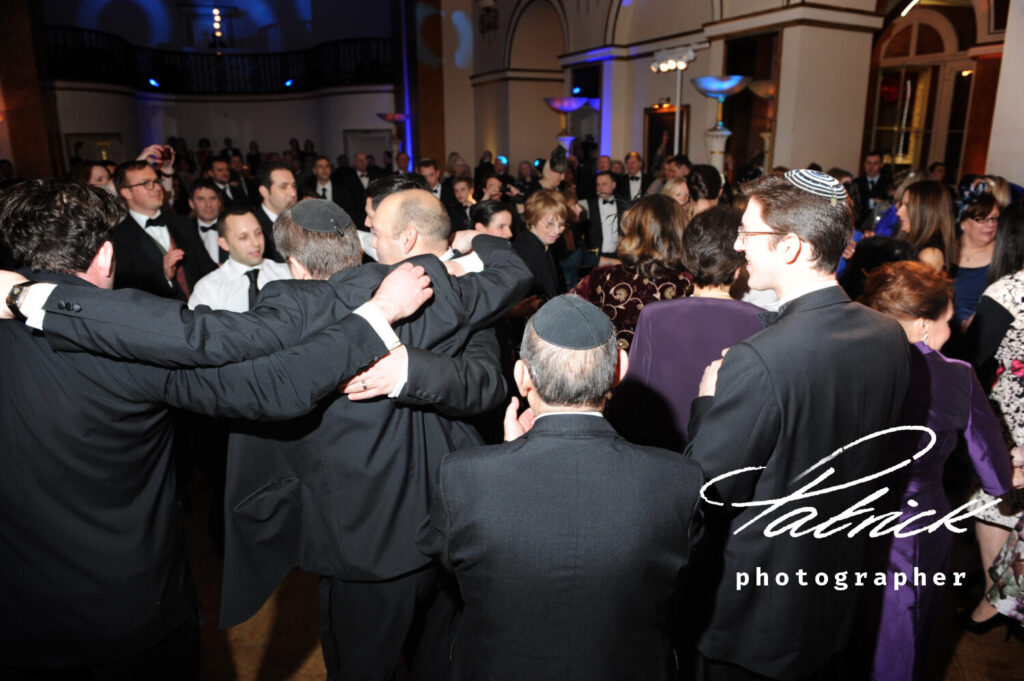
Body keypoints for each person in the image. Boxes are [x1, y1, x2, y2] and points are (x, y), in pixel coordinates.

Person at [6, 192, 532, 681]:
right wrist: (471, 247)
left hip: (406, 538)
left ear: (295, 265)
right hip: (400, 538)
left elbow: (482, 383)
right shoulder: (457, 290)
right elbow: (510, 278)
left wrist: (405, 367)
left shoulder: (297, 305)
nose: (371, 231)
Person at [684, 170, 910, 681]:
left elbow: (709, 493)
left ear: (791, 247)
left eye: (748, 231)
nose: (739, 244)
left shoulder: (759, 360)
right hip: (833, 602)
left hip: (754, 621)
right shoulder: (889, 335)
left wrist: (706, 403)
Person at [416, 295, 703, 680]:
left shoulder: (462, 477)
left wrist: (505, 462)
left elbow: (452, 564)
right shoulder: (679, 480)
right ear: (621, 370)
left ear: (522, 377)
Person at [858, 260, 1011, 681]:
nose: (957, 326)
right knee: (900, 646)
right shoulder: (955, 377)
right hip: (911, 530)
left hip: (836, 521)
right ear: (923, 323)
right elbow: (993, 470)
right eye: (949, 318)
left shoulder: (845, 360)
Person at [607, 205, 762, 450]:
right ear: (738, 267)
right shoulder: (762, 321)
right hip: (730, 454)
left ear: (687, 256)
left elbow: (630, 403)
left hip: (661, 454)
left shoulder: (654, 316)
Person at [962, 199, 1024, 630]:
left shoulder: (1007, 291)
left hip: (1006, 418)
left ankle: (993, 603)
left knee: (990, 502)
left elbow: (974, 360)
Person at [572, 194, 693, 349]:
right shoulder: (688, 283)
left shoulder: (603, 277)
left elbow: (563, 314)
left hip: (614, 370)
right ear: (679, 232)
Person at [110, 160, 216, 300]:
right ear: (126, 192)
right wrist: (164, 276)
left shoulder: (183, 223)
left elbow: (205, 266)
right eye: (146, 183)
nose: (157, 188)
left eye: (157, 181)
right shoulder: (118, 238)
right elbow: (127, 293)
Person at [188, 207, 291, 313]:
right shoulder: (208, 289)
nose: (256, 243)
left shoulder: (286, 274)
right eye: (243, 237)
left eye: (258, 233)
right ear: (224, 244)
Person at [512, 189, 568, 306]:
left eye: (561, 224)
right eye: (549, 224)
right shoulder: (528, 252)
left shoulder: (541, 241)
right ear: (532, 220)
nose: (557, 231)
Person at [952, 192, 1000, 329]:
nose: (991, 224)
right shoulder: (945, 251)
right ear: (963, 223)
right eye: (983, 218)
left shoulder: (1003, 255)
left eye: (995, 218)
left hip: (979, 334)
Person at [893, 180, 954, 271]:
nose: (898, 212)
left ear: (926, 212)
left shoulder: (930, 255)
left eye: (908, 206)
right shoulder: (911, 243)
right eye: (901, 205)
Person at [254, 160, 297, 262]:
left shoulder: (303, 220)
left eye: (294, 186)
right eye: (283, 187)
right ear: (264, 192)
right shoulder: (254, 226)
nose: (293, 193)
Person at [584, 170, 629, 263]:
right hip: (596, 257)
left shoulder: (623, 205)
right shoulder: (588, 205)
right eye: (598, 184)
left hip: (619, 256)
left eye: (604, 184)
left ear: (613, 185)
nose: (600, 188)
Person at [187, 179, 226, 263]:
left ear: (219, 202)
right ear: (191, 203)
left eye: (212, 198)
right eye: (201, 199)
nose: (208, 204)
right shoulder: (185, 232)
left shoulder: (232, 227)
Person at [854, 150, 891, 226]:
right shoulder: (856, 183)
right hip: (860, 225)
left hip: (880, 224)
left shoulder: (888, 183)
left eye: (875, 163)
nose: (871, 167)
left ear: (881, 165)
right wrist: (872, 201)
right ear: (864, 164)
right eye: (868, 163)